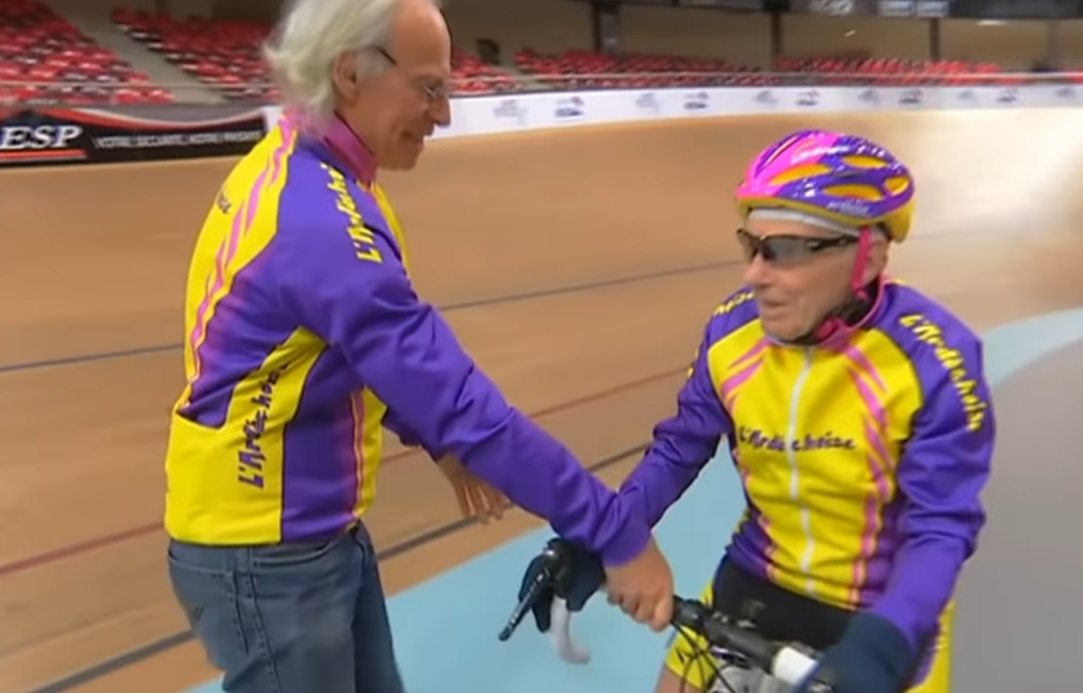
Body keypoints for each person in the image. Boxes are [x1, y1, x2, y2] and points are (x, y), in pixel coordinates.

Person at [161, 0, 673, 691]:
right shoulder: (320, 224)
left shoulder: (305, 168)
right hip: (266, 554)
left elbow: (360, 356)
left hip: (298, 534)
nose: (444, 114)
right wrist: (615, 532)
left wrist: (435, 438)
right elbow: (461, 403)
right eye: (429, 89)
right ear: (350, 74)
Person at [517, 129, 995, 693]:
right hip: (757, 577)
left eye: (784, 251)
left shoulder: (935, 359)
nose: (754, 274)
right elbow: (678, 449)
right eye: (751, 245)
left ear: (869, 256)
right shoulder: (732, 332)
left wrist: (887, 640)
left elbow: (941, 525)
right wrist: (605, 536)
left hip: (881, 612)